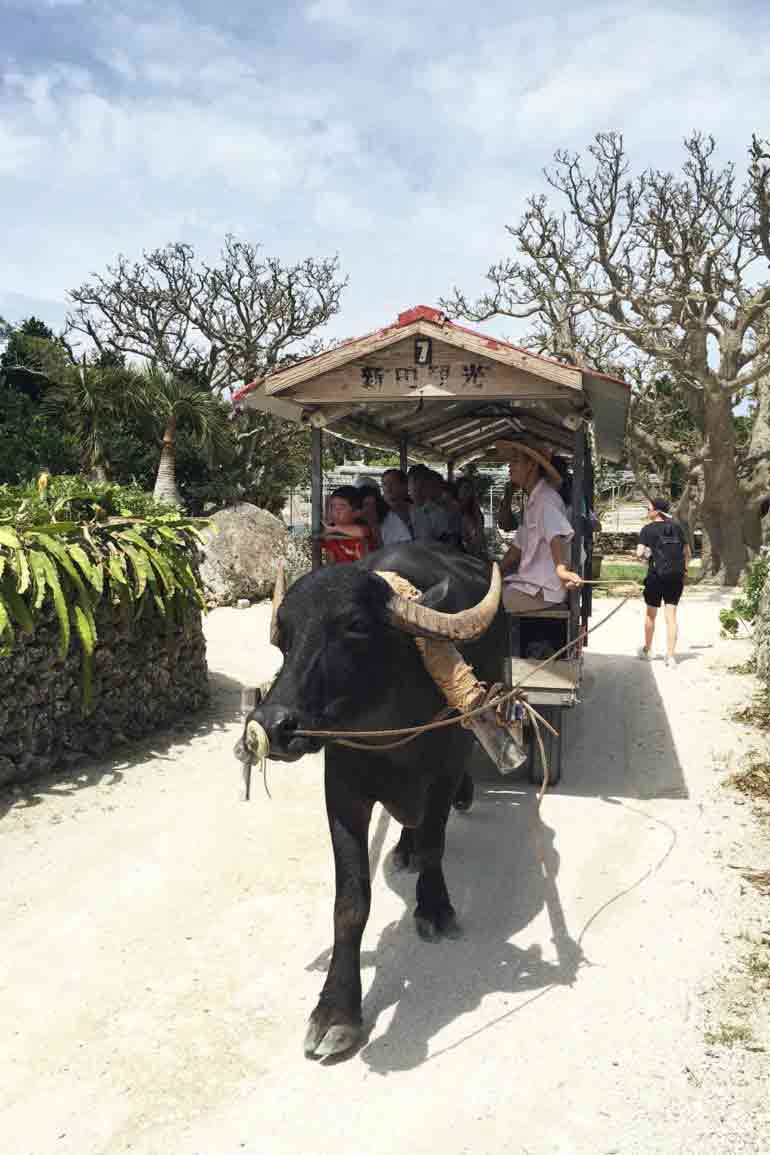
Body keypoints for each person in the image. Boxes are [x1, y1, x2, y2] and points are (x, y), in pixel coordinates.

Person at [495, 439, 583, 613]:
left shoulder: (545, 499)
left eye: (516, 461)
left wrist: (561, 571)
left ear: (532, 466)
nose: (509, 466)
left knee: (500, 600)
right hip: (531, 582)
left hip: (544, 589)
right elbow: (517, 548)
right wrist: (495, 569)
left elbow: (555, 537)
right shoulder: (533, 500)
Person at [636, 498, 690, 668]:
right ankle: (671, 656)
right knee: (671, 617)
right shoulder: (677, 528)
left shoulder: (647, 530)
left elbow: (639, 553)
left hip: (655, 576)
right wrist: (684, 570)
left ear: (657, 511)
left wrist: (648, 557)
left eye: (649, 508)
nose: (647, 511)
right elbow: (687, 552)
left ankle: (647, 649)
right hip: (675, 576)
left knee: (651, 614)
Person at [320, 486, 378, 564]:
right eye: (333, 507)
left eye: (341, 508)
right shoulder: (332, 536)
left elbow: (362, 531)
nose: (336, 512)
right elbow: (331, 564)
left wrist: (335, 528)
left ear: (356, 513)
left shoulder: (366, 527)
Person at [380, 468, 414, 545]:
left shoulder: (416, 511)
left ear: (405, 486)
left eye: (393, 483)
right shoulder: (377, 511)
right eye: (385, 484)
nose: (388, 488)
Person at [457, 476, 487, 558]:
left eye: (470, 489)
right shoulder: (453, 510)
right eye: (465, 488)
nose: (467, 492)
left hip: (471, 554)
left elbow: (479, 536)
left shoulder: (475, 512)